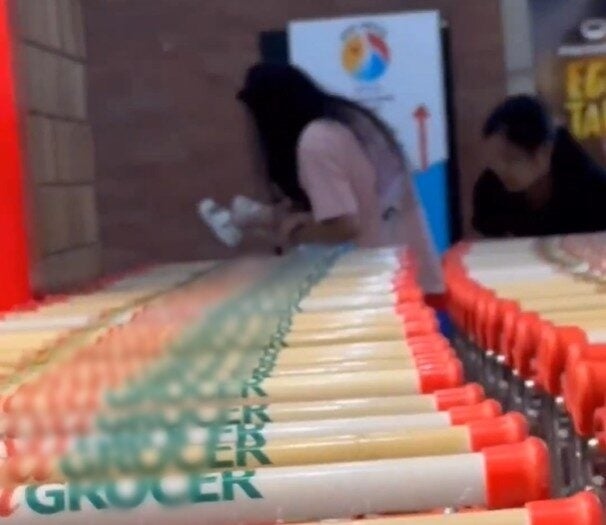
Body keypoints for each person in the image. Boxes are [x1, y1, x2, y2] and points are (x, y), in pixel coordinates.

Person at [199, 63, 443, 293]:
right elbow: (364, 201)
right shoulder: (352, 121)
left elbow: (345, 227)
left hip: (382, 285)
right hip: (415, 271)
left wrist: (290, 229)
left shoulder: (316, 141)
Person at [473, 95, 606, 237]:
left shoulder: (593, 190)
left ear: (544, 152)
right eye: (494, 160)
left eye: (510, 159)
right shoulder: (490, 187)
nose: (500, 170)